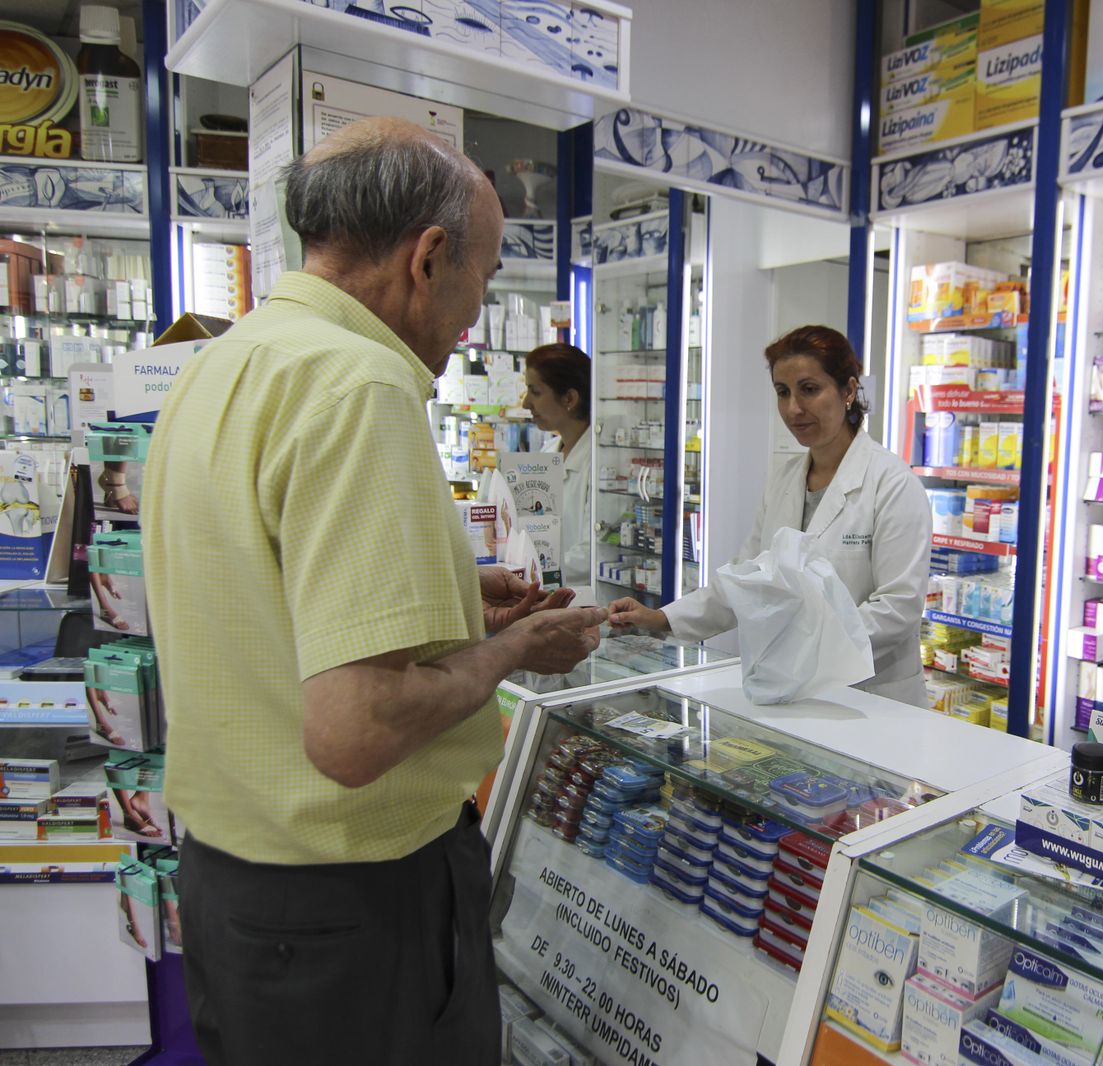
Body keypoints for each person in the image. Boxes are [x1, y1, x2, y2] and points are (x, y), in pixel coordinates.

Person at [143, 117, 607, 1066]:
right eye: (483, 276)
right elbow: (356, 732)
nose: (478, 309)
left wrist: (451, 596)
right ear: (428, 258)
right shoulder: (359, 385)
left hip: (233, 886)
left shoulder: (222, 364)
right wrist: (513, 650)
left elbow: (260, 585)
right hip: (351, 908)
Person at [608, 325, 933, 707]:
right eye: (783, 392)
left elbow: (898, 607)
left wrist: (803, 651)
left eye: (809, 389)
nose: (793, 408)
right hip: (792, 689)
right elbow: (746, 580)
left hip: (873, 697)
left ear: (848, 391)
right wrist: (662, 619)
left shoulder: (892, 483)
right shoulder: (785, 480)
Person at [521, 342, 593, 587]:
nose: (526, 403)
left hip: (584, 599)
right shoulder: (547, 452)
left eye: (535, 392)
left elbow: (591, 555)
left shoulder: (599, 461)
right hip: (544, 592)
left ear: (569, 398)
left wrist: (532, 575)